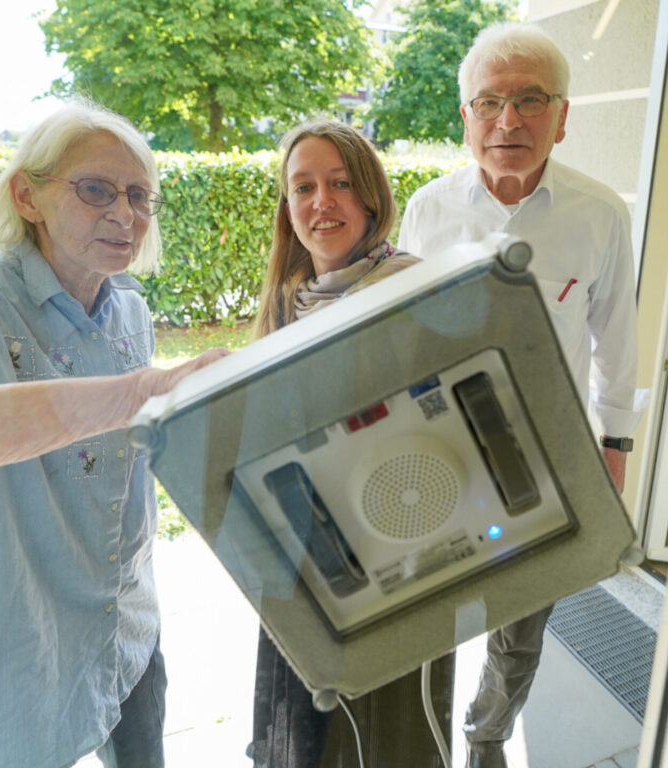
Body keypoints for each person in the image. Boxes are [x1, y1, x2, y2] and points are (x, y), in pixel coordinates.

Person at [0, 100, 227, 768]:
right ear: (28, 196)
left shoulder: (129, 307)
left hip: (122, 624)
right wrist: (142, 391)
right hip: (14, 638)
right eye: (95, 190)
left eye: (139, 196)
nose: (124, 214)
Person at [397, 22, 641, 768]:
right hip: (441, 448)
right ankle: (426, 732)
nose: (509, 121)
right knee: (429, 613)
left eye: (531, 100)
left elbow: (616, 341)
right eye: (490, 102)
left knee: (526, 618)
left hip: (549, 452)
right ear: (465, 115)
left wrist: (615, 448)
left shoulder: (600, 214)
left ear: (562, 116)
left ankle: (487, 733)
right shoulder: (428, 211)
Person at [247, 118, 455, 767]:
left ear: (370, 196)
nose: (321, 202)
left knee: (388, 739)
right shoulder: (286, 300)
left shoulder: (416, 287)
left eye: (339, 183)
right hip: (303, 559)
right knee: (303, 737)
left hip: (401, 554)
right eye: (303, 187)